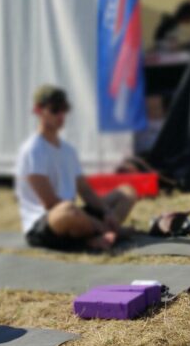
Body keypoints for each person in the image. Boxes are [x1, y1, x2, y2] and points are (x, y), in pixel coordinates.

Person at [15, 85, 137, 252]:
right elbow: (49, 203)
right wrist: (96, 222)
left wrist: (106, 212)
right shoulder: (32, 149)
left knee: (127, 192)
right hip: (44, 224)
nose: (61, 115)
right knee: (68, 210)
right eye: (55, 109)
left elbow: (85, 190)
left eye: (64, 109)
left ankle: (106, 230)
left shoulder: (68, 150)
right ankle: (103, 233)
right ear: (38, 110)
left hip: (75, 214)